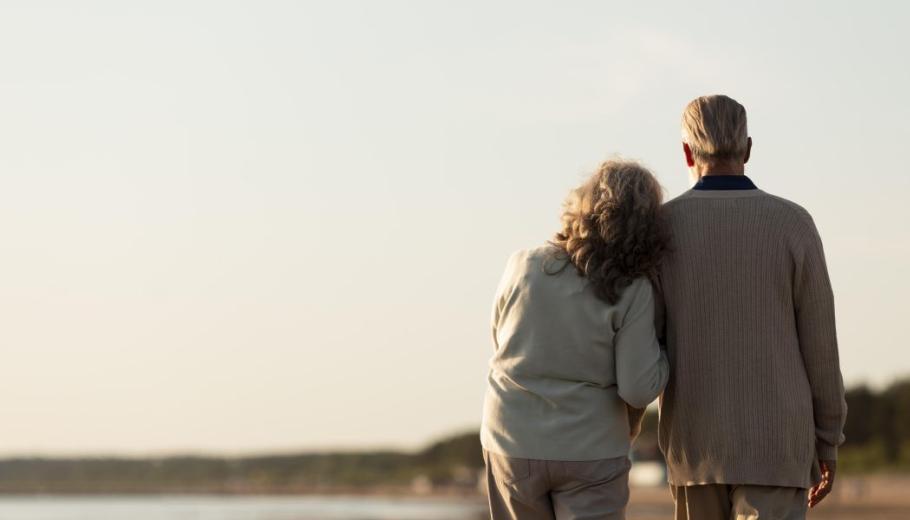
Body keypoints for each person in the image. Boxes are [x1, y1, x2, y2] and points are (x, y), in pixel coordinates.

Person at [656, 94, 847, 520]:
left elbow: (645, 346)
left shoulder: (661, 229)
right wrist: (828, 439)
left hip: (694, 448)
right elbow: (821, 346)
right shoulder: (793, 223)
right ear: (747, 148)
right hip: (777, 446)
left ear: (686, 152)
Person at [481, 159, 670, 520]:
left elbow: (499, 341)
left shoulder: (523, 264)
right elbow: (638, 389)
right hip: (591, 449)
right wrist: (664, 352)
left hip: (510, 439)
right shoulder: (633, 289)